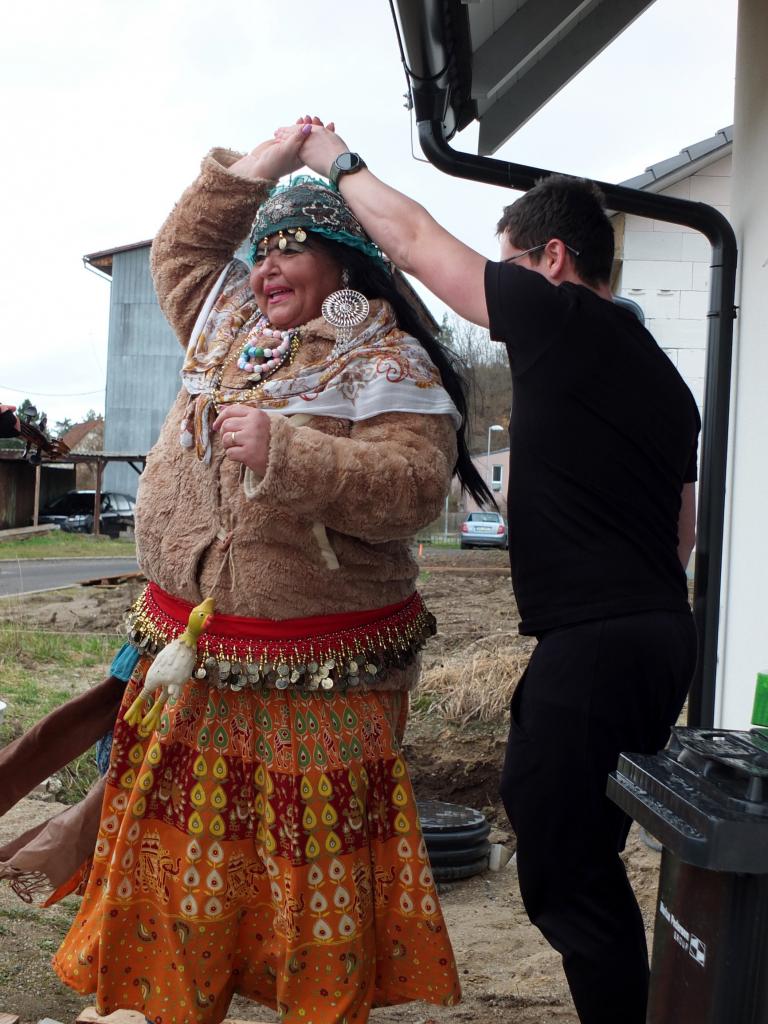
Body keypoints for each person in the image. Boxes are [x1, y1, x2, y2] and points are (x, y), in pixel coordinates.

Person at [51, 134, 491, 1024]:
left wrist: (286, 453)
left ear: (345, 262)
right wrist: (264, 163)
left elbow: (411, 488)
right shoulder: (224, 325)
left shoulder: (388, 360)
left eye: (291, 249)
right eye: (262, 251)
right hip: (188, 660)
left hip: (320, 680)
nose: (266, 268)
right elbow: (182, 249)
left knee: (311, 876)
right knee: (183, 868)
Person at [289, 118, 700, 1024]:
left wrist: (336, 163)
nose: (500, 282)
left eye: (509, 261)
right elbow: (684, 528)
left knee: (563, 862)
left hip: (594, 643)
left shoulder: (561, 318)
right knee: (584, 845)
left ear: (552, 259)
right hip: (660, 634)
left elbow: (415, 240)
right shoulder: (664, 380)